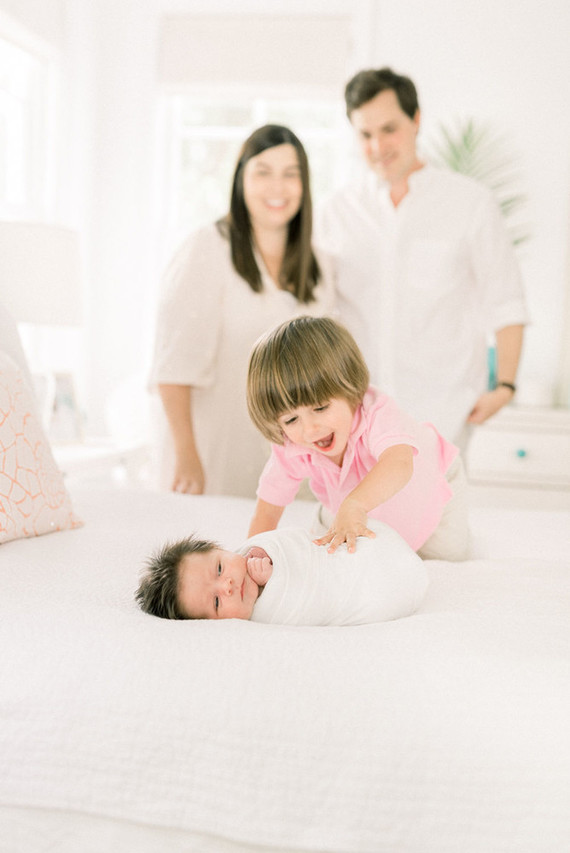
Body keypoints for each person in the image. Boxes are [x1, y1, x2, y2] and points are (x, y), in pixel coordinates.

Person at [315, 67, 528, 449]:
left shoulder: (469, 203)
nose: (378, 146)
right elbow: (316, 310)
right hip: (357, 421)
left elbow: (506, 300)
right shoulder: (334, 212)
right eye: (365, 134)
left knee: (438, 510)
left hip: (443, 417)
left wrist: (505, 387)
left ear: (416, 120)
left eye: (389, 129)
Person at [150, 124, 335, 499]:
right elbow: (172, 368)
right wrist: (187, 456)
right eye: (263, 173)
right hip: (215, 450)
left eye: (290, 174)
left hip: (293, 463)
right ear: (240, 179)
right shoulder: (206, 249)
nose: (277, 188)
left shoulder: (320, 266)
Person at [246, 316, 470, 561]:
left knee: (447, 554)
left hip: (429, 480)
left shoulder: (377, 413)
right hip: (354, 496)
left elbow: (399, 463)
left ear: (351, 390)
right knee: (329, 549)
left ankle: (349, 508)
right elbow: (267, 511)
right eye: (291, 420)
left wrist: (354, 505)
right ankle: (336, 511)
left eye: (320, 408)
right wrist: (252, 556)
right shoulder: (292, 443)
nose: (310, 429)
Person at [135, 518, 428, 626]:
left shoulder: (259, 551)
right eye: (215, 603)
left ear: (220, 548)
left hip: (361, 556)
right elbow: (306, 603)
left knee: (358, 539)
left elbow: (296, 545)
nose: (227, 586)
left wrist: (273, 565)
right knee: (380, 593)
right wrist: (274, 586)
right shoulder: (264, 621)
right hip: (378, 593)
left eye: (220, 568)